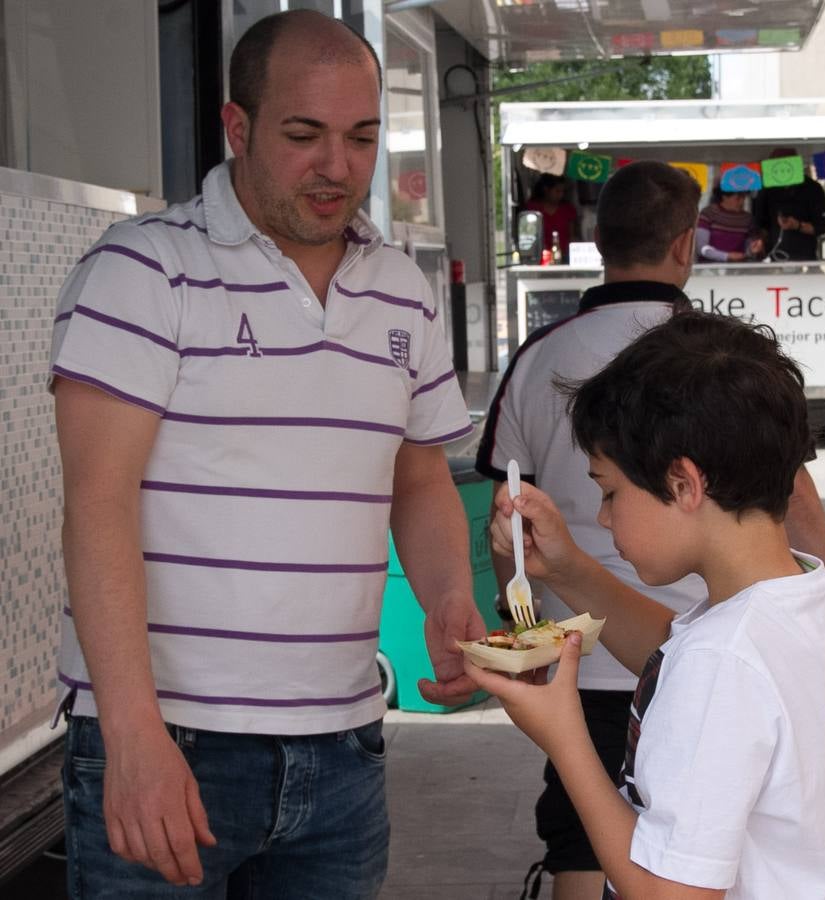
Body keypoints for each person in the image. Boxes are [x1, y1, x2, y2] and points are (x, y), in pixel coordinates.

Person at [49, 10, 482, 896]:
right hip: (170, 740)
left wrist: (446, 597)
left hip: (346, 745)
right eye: (303, 135)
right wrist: (132, 739)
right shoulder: (142, 272)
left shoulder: (401, 290)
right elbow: (97, 504)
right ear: (236, 127)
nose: (338, 167)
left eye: (362, 137)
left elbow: (418, 471)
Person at [475, 160, 825, 900]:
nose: (602, 516)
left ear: (682, 483)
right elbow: (674, 653)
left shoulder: (723, 660)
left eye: (608, 492)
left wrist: (564, 736)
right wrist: (570, 568)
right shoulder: (793, 588)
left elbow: (668, 893)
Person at [751, 147, 825, 261]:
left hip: (805, 257)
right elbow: (760, 224)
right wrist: (760, 241)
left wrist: (797, 225)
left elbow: (821, 226)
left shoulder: (812, 188)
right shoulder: (766, 189)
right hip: (774, 257)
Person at [525, 173, 581, 259]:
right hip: (539, 257)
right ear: (546, 190)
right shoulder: (532, 209)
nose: (561, 195)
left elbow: (572, 236)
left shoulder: (568, 210)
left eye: (563, 192)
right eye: (557, 191)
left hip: (565, 256)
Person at [695, 184, 755, 262]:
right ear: (724, 196)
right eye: (738, 198)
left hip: (737, 269)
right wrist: (727, 256)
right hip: (709, 268)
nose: (742, 202)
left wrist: (752, 249)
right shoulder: (708, 214)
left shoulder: (747, 219)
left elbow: (747, 249)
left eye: (744, 197)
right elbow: (701, 247)